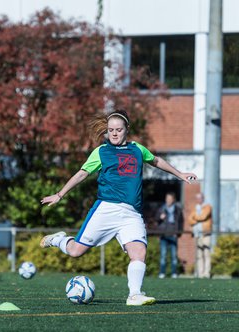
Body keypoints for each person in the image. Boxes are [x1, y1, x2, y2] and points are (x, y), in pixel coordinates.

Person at [40, 109, 197, 305]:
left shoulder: (138, 149)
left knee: (139, 252)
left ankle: (135, 294)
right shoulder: (101, 152)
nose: (114, 133)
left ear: (127, 129)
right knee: (75, 252)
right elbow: (81, 174)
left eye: (118, 129)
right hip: (106, 209)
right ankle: (58, 240)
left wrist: (180, 174)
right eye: (110, 130)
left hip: (131, 213)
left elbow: (157, 161)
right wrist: (60, 194)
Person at [156, 192, 184, 279]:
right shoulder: (162, 209)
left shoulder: (178, 210)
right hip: (163, 234)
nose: (168, 200)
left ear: (173, 200)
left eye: (170, 199)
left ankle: (174, 273)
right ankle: (162, 273)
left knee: (174, 255)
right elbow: (156, 219)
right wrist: (160, 217)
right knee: (163, 255)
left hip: (173, 234)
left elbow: (181, 221)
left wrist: (178, 233)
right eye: (167, 198)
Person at [188, 192, 212, 278]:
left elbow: (203, 216)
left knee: (206, 253)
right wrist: (195, 219)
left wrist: (195, 218)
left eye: (200, 198)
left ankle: (207, 273)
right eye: (197, 198)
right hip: (197, 233)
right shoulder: (195, 208)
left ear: (203, 198)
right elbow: (190, 220)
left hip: (205, 232)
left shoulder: (208, 206)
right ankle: (201, 273)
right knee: (199, 254)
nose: (198, 200)